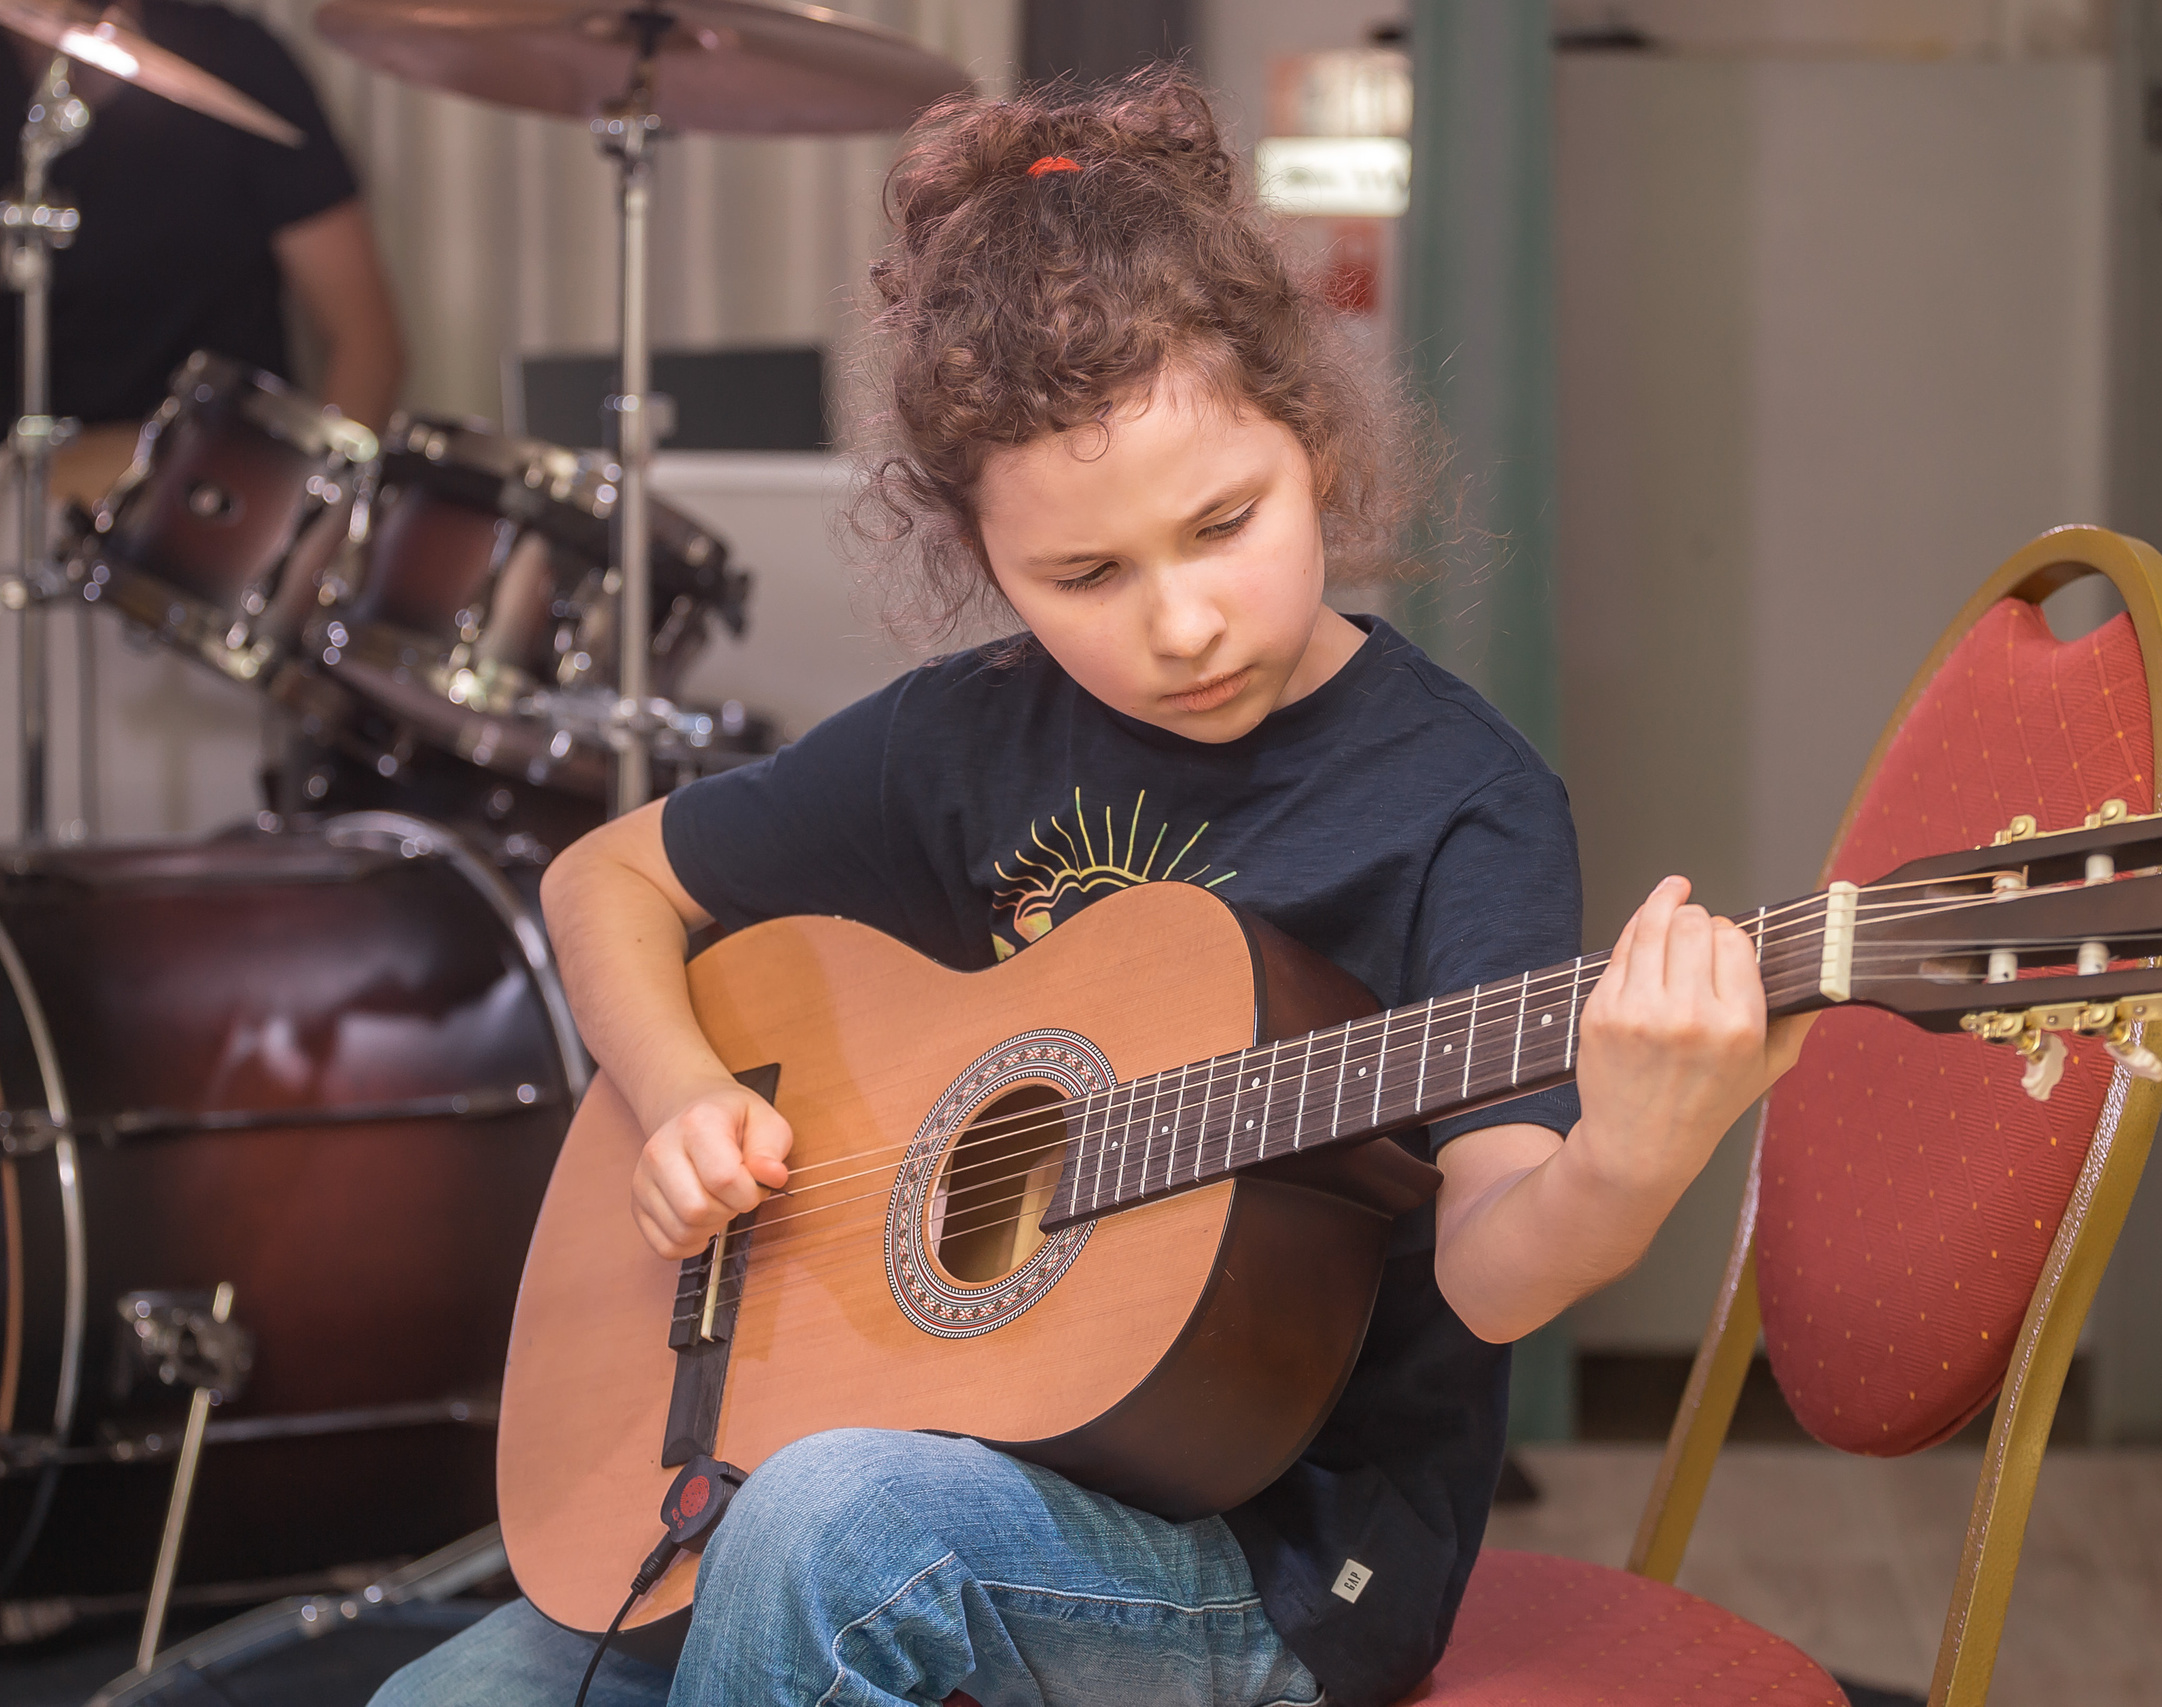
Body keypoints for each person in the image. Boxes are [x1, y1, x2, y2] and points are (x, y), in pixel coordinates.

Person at [374, 68, 1807, 1707]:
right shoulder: (969, 741)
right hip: (918, 1446)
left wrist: (1628, 1159)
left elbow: (1491, 1259)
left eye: (1223, 524)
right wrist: (688, 1094)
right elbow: (605, 879)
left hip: (1274, 1565)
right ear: (980, 559)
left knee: (834, 1527)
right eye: (1086, 574)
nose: (1182, 621)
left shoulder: (1457, 800)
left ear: (1314, 436)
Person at [0, 0, 401, 505]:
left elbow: (365, 341)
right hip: (19, 499)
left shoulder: (235, 59)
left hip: (212, 501)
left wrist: (308, 509)